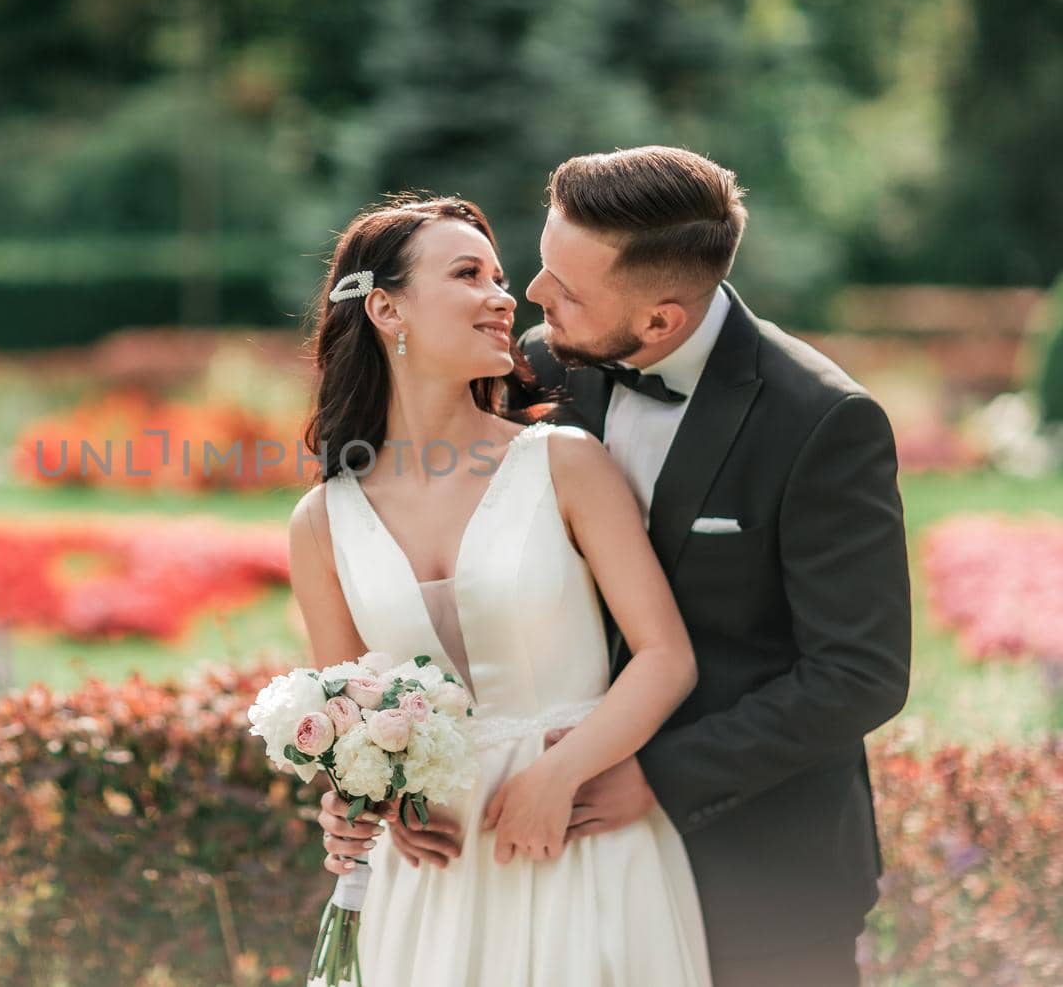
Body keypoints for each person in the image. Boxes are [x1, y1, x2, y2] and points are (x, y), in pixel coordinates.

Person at [341, 147, 913, 987]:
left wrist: (654, 775)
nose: (531, 298)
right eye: (541, 266)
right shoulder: (537, 368)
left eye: (565, 289)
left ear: (660, 322)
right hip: (548, 868)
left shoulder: (822, 422)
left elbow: (860, 673)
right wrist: (370, 777)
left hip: (760, 867)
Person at [290, 195, 712, 984]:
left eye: (500, 275)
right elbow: (350, 716)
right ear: (385, 307)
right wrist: (362, 806)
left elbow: (665, 655)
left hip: (582, 837)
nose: (504, 296)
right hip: (433, 877)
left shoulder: (563, 462)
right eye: (467, 274)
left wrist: (559, 776)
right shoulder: (323, 521)